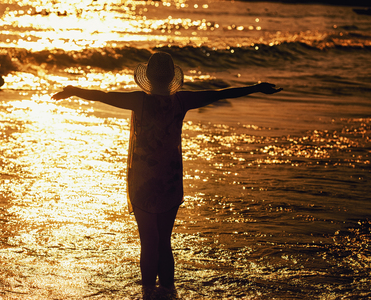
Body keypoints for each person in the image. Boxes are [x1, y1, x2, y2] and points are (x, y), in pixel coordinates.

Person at [52, 52, 282, 299]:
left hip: (142, 181)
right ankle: (168, 292)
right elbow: (221, 93)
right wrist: (257, 87)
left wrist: (75, 90)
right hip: (170, 180)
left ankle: (148, 293)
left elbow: (104, 96)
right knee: (164, 242)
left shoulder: (138, 101)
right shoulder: (182, 101)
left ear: (148, 77)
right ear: (173, 76)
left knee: (148, 242)